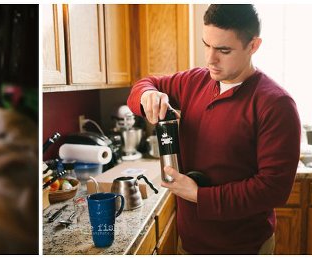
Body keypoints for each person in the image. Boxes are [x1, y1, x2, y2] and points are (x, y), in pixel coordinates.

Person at [126, 4, 300, 254]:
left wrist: (199, 195)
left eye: (223, 50)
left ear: (253, 46)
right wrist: (148, 95)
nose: (210, 59)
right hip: (189, 241)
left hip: (244, 247)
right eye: (206, 44)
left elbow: (273, 190)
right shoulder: (194, 81)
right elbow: (145, 83)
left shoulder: (276, 105)